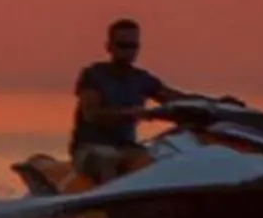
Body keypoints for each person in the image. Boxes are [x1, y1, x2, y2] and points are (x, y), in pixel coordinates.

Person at [70, 17, 222, 185]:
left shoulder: (141, 79)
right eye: (122, 46)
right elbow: (92, 114)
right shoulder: (93, 75)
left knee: (161, 162)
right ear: (109, 47)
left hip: (127, 149)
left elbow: (176, 99)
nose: (128, 51)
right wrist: (131, 113)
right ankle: (110, 207)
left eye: (132, 46)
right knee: (108, 164)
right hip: (90, 149)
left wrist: (217, 103)